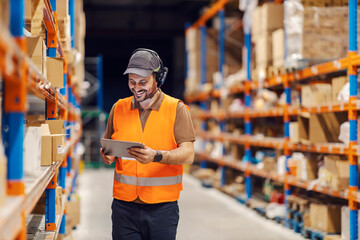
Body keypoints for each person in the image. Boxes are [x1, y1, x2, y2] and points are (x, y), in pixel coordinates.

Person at [100, 48, 195, 240]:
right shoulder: (118, 108)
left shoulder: (176, 109)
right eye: (132, 82)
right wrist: (107, 154)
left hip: (162, 207)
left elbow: (188, 154)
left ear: (158, 79)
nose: (136, 87)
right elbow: (108, 144)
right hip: (123, 207)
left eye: (143, 82)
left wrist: (157, 156)